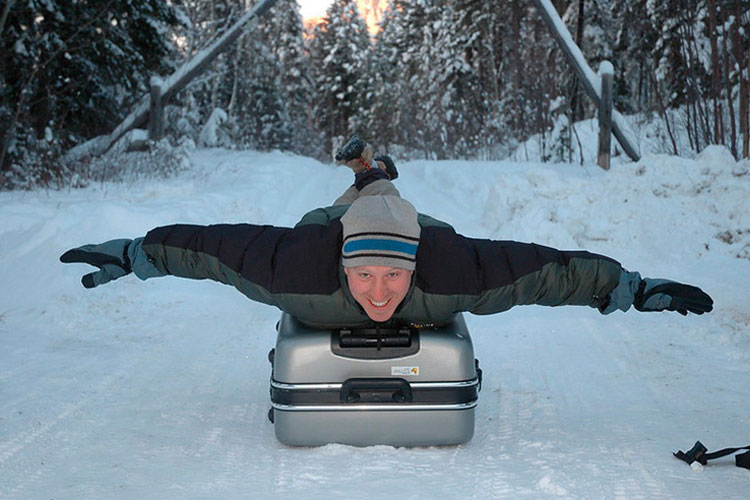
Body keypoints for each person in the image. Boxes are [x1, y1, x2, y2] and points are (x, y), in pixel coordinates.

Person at [60, 136, 713, 329]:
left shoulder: (451, 268)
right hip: (330, 231)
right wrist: (135, 253)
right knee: (336, 210)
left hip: (418, 230)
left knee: (394, 204)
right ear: (341, 267)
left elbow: (549, 271)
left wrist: (632, 287)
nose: (378, 293)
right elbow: (209, 248)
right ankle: (364, 177)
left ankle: (377, 176)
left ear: (417, 268)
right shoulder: (298, 266)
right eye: (366, 274)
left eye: (393, 276)